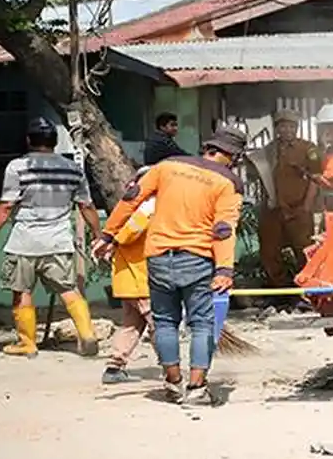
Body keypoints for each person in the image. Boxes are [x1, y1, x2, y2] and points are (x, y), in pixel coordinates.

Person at [93, 125, 246, 407]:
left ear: (208, 148)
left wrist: (108, 234)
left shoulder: (168, 166)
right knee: (201, 324)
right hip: (197, 259)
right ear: (233, 156)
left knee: (165, 323)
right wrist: (224, 269)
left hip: (158, 258)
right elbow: (223, 229)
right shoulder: (228, 182)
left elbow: (131, 198)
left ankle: (173, 383)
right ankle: (197, 388)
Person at [0, 117, 100, 358]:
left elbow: (5, 207)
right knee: (68, 289)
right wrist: (97, 235)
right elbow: (87, 205)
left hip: (24, 240)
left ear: (28, 140)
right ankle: (87, 335)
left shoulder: (18, 167)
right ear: (55, 141)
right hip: (58, 240)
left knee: (21, 291)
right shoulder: (72, 169)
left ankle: (27, 343)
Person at [248, 109, 322, 290]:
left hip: (299, 209)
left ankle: (307, 289)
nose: (287, 130)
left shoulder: (308, 149)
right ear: (277, 129)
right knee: (269, 252)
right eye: (283, 126)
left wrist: (306, 206)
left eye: (291, 126)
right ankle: (280, 290)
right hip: (274, 210)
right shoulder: (269, 150)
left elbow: (316, 178)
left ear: (296, 128)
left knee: (305, 250)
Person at [100, 166, 157, 384]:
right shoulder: (147, 207)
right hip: (140, 279)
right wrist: (113, 241)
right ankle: (172, 366)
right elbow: (132, 230)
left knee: (132, 325)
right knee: (158, 324)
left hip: (128, 278)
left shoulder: (129, 208)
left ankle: (114, 367)